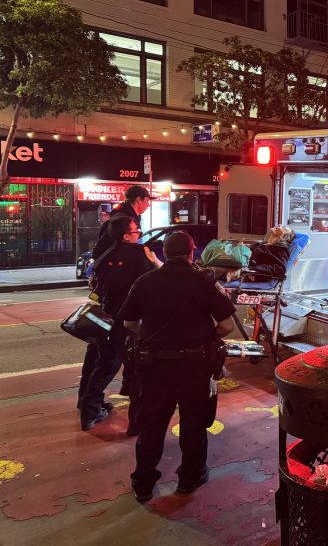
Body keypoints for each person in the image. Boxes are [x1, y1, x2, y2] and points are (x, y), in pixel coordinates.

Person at [119, 231, 235, 503]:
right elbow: (228, 325)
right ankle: (190, 477)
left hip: (154, 366)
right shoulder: (204, 282)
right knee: (194, 422)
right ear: (192, 253)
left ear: (164, 254)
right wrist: (205, 336)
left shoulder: (144, 282)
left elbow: (129, 324)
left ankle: (144, 483)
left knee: (151, 424)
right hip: (193, 366)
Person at [78, 215, 158, 431]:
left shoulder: (104, 255)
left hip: (105, 318)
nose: (139, 234)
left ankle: (89, 411)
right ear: (126, 236)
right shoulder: (140, 253)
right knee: (136, 370)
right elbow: (151, 282)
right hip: (129, 321)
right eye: (136, 231)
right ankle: (136, 422)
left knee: (105, 364)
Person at [91, 185, 154, 260]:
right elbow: (102, 250)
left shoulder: (132, 217)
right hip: (116, 267)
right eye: (147, 200)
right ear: (139, 199)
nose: (148, 204)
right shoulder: (122, 220)